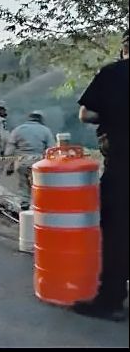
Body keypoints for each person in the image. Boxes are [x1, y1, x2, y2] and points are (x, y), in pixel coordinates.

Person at [71, 29, 129, 321]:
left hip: (123, 166)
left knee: (118, 232)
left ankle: (111, 301)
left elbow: (86, 114)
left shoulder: (114, 73)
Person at [4, 110, 55, 210]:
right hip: (38, 163)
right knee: (38, 185)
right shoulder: (45, 130)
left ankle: (24, 205)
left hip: (21, 161)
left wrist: (10, 166)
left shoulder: (18, 129)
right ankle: (40, 206)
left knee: (23, 184)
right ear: (40, 119)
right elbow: (51, 149)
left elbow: (9, 151)